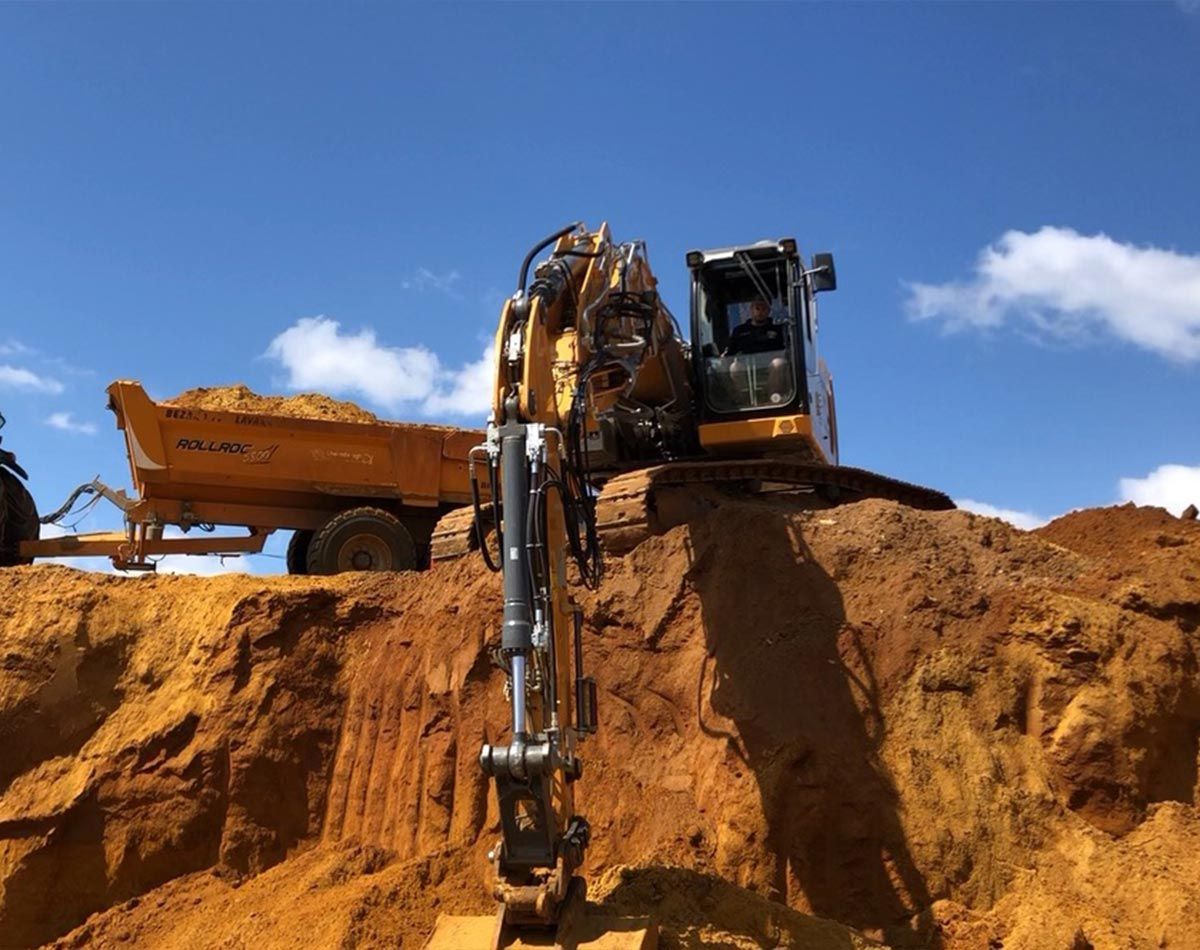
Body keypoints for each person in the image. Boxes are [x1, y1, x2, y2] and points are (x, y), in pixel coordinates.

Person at [724, 298, 790, 403]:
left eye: (764, 309)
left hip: (771, 366)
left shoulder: (778, 329)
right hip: (746, 367)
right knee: (734, 367)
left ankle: (774, 398)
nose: (760, 312)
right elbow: (729, 354)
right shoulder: (740, 330)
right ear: (751, 309)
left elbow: (788, 349)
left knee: (779, 364)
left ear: (769, 311)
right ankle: (743, 400)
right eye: (757, 308)